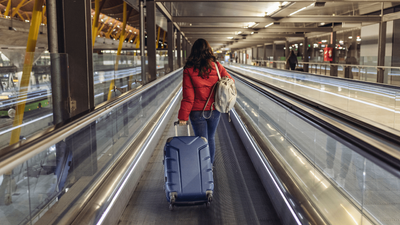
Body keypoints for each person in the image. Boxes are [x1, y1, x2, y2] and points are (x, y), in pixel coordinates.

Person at [178, 39, 234, 164]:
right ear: (209, 51)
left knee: (201, 140)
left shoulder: (188, 69)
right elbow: (230, 81)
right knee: (211, 138)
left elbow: (188, 97)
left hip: (197, 111)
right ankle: (209, 168)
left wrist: (183, 116)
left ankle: (202, 169)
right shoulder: (217, 66)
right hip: (215, 109)